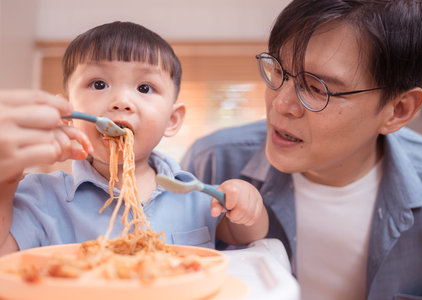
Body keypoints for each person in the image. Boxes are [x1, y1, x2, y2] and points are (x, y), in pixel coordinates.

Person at [181, 1, 422, 299]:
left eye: (317, 88)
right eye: (279, 70)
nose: (280, 105)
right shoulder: (213, 163)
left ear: (398, 110)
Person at [0, 21, 268, 256]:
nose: (121, 101)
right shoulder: (41, 198)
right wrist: (5, 180)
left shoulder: (197, 196)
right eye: (99, 84)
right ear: (67, 113)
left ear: (172, 121)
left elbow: (248, 236)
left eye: (144, 88)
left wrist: (247, 202)